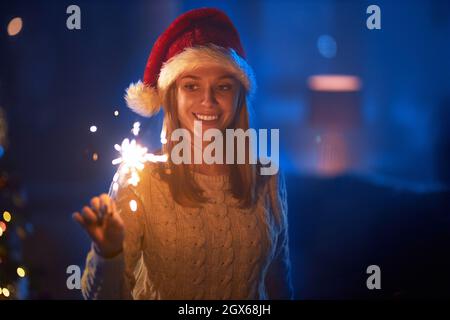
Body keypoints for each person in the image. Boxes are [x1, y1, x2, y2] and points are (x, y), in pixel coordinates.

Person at [73, 7, 293, 300]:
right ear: (171, 97)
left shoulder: (268, 177)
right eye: (191, 86)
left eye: (223, 87)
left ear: (239, 96)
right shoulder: (140, 180)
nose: (208, 100)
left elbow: (280, 286)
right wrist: (108, 253)